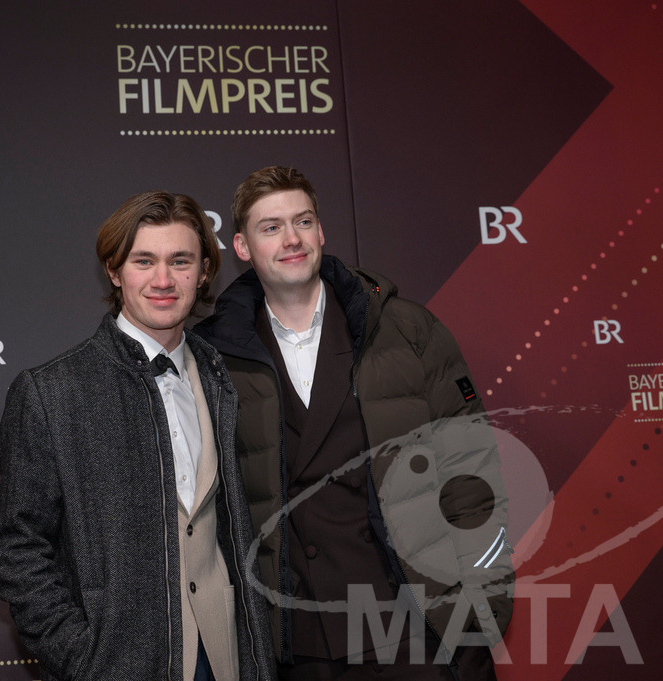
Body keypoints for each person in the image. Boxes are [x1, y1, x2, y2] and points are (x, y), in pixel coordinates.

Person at [193, 167, 513, 680]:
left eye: (303, 221)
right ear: (242, 247)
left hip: (421, 623)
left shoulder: (405, 328)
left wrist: (483, 602)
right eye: (270, 227)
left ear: (321, 232)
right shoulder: (213, 355)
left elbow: (471, 470)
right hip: (303, 641)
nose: (291, 239)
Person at [0, 191, 276, 681]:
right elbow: (18, 546)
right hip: (121, 665)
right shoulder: (51, 391)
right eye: (144, 261)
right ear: (115, 271)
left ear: (205, 272)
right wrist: (85, 658)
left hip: (230, 655)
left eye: (180, 261)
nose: (164, 280)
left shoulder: (221, 377)